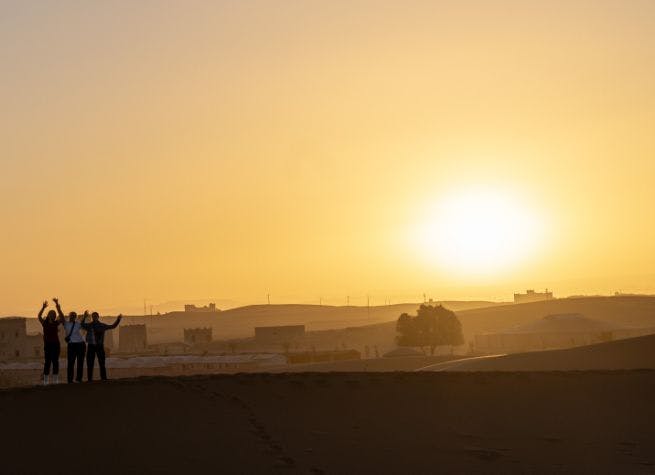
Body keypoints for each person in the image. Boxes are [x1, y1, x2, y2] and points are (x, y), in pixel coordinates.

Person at [82, 312, 122, 381]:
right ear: (92, 317)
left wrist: (118, 319)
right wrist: (84, 317)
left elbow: (112, 326)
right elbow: (82, 325)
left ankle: (103, 378)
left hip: (99, 346)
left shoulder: (101, 325)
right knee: (90, 363)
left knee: (101, 363)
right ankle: (90, 379)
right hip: (91, 346)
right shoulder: (90, 325)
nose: (94, 317)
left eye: (95, 316)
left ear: (98, 317)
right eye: (93, 316)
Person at [58, 301, 88, 384]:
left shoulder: (78, 324)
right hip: (71, 345)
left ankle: (78, 379)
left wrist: (85, 316)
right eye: (71, 315)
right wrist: (58, 307)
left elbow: (83, 324)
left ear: (75, 317)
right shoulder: (66, 324)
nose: (72, 317)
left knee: (80, 363)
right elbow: (61, 315)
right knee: (71, 363)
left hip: (80, 344)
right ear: (69, 316)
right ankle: (70, 380)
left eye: (74, 316)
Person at [37, 299, 64, 385]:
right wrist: (43, 308)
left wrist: (57, 306)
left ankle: (55, 380)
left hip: (55, 344)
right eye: (51, 314)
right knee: (47, 362)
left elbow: (62, 317)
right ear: (48, 315)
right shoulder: (44, 323)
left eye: (54, 314)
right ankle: (46, 381)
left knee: (55, 361)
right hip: (48, 345)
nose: (52, 315)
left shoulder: (56, 323)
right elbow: (39, 316)